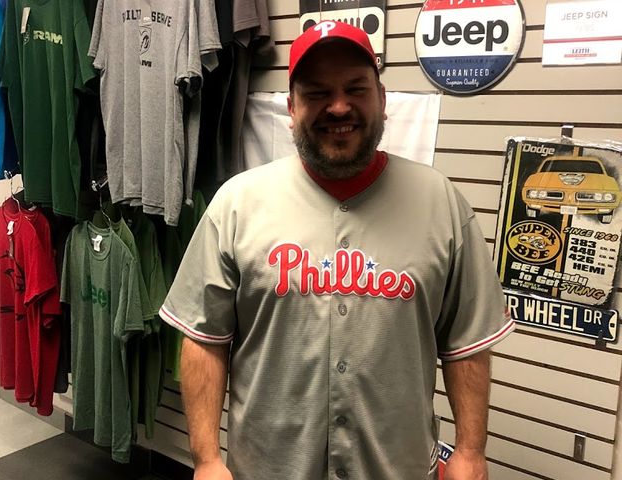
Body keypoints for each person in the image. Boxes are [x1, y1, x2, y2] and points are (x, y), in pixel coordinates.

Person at [160, 20, 515, 480]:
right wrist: (206, 459)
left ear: (382, 99)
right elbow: (205, 339)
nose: (339, 106)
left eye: (356, 89)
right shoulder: (236, 204)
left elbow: (466, 342)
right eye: (317, 93)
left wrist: (470, 451)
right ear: (292, 108)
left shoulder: (441, 203)